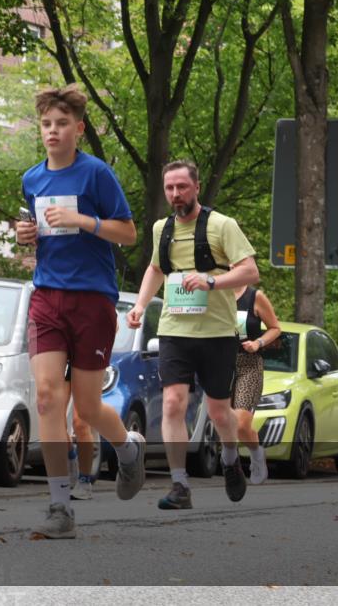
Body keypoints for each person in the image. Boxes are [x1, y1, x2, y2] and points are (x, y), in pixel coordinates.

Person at [15, 85, 145, 540]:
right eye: (47, 124)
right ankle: (59, 506)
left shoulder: (96, 175)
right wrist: (26, 233)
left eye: (62, 124)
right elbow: (37, 232)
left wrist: (85, 222)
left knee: (87, 407)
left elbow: (128, 233)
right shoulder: (32, 179)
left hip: (92, 299)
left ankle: (128, 450)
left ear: (79, 129)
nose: (53, 131)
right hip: (47, 296)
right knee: (48, 397)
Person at [126, 160, 260, 510]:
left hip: (216, 332)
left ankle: (231, 458)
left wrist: (211, 280)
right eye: (170, 188)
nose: (175, 194)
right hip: (174, 330)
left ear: (196, 187)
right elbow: (156, 268)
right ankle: (179, 484)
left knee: (218, 411)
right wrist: (141, 305)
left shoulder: (222, 225)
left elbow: (250, 270)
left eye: (181, 187)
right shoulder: (161, 229)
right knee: (173, 402)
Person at [232, 285, 282, 485]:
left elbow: (275, 328)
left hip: (248, 365)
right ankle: (230, 465)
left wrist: (258, 343)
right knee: (223, 423)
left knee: (241, 423)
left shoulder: (255, 296)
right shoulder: (216, 293)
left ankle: (256, 454)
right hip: (220, 363)